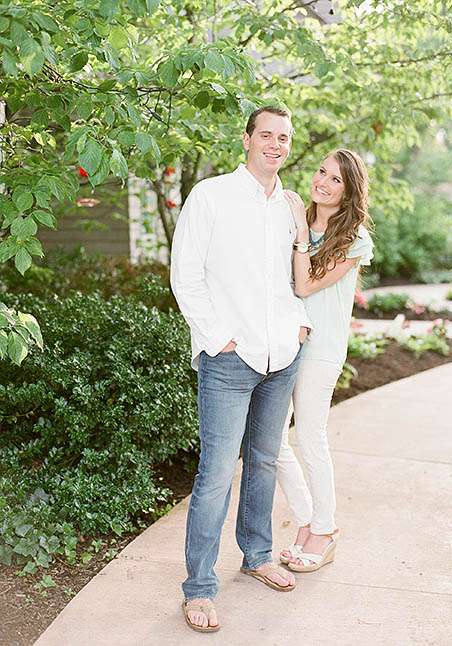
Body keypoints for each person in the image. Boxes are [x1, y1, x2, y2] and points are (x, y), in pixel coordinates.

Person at [171, 106, 312, 633]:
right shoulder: (211, 196)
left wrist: (298, 325)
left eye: (285, 138)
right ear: (248, 139)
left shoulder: (290, 206)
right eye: (268, 135)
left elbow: (291, 277)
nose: (277, 144)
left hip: (282, 354)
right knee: (214, 476)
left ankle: (257, 555)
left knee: (264, 461)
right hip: (230, 358)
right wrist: (217, 339)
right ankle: (200, 588)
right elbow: (185, 274)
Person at [276, 149, 374, 573]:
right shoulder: (290, 217)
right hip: (281, 343)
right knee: (271, 440)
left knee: (311, 437)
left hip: (321, 350)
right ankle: (306, 520)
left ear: (349, 191)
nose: (323, 182)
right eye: (321, 172)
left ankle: (325, 529)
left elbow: (305, 284)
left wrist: (300, 231)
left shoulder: (354, 238)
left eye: (336, 179)